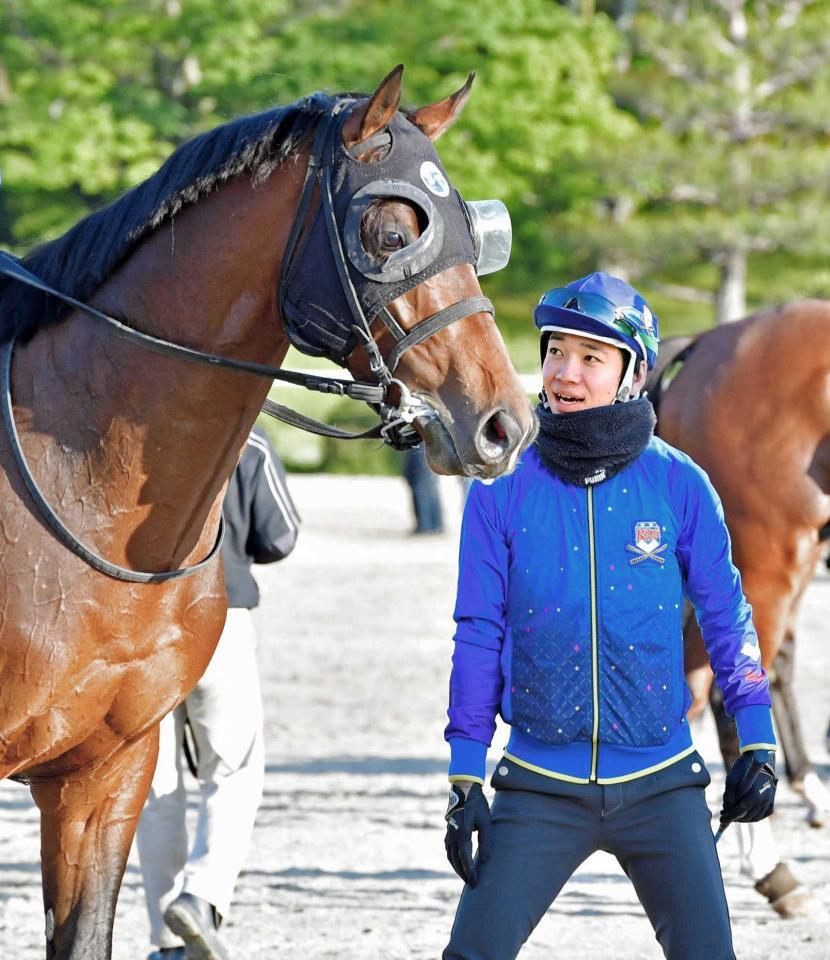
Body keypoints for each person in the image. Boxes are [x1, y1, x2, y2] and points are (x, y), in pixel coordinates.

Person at [442, 272, 778, 960]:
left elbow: (726, 616)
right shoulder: (500, 489)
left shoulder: (680, 482)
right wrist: (465, 774)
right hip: (538, 786)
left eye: (591, 357)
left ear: (631, 372)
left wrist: (759, 740)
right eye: (555, 351)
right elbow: (478, 633)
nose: (566, 372)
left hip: (663, 784)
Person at [137, 427, 300, 960]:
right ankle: (202, 896)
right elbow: (281, 535)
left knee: (155, 787)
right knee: (233, 769)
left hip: (140, 621)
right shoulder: (245, 435)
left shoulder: (137, 423)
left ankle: (166, 941)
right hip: (220, 615)